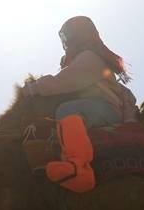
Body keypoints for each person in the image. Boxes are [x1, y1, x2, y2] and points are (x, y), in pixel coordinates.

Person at [24, 16, 138, 193]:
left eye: (68, 37)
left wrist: (34, 88)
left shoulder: (89, 58)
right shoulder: (87, 58)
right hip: (98, 107)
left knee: (67, 110)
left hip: (106, 109)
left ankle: (78, 167)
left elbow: (65, 81)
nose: (66, 43)